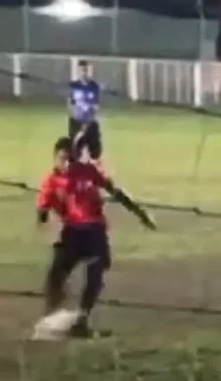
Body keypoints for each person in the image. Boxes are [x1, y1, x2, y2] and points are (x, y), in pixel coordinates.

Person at [36, 136, 155, 337]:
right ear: (55, 158)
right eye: (62, 159)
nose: (67, 163)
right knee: (54, 277)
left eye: (70, 159)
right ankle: (51, 319)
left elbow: (115, 191)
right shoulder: (51, 181)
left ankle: (81, 320)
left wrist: (139, 213)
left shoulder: (88, 171)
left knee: (94, 276)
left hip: (95, 233)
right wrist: (46, 216)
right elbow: (42, 210)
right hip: (71, 233)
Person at [66, 60, 105, 166]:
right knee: (74, 148)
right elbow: (70, 103)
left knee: (94, 150)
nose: (84, 73)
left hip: (89, 122)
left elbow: (96, 106)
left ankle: (95, 170)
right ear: (78, 72)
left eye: (86, 70)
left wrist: (88, 122)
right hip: (76, 121)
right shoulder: (73, 86)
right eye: (81, 70)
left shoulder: (94, 87)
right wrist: (73, 117)